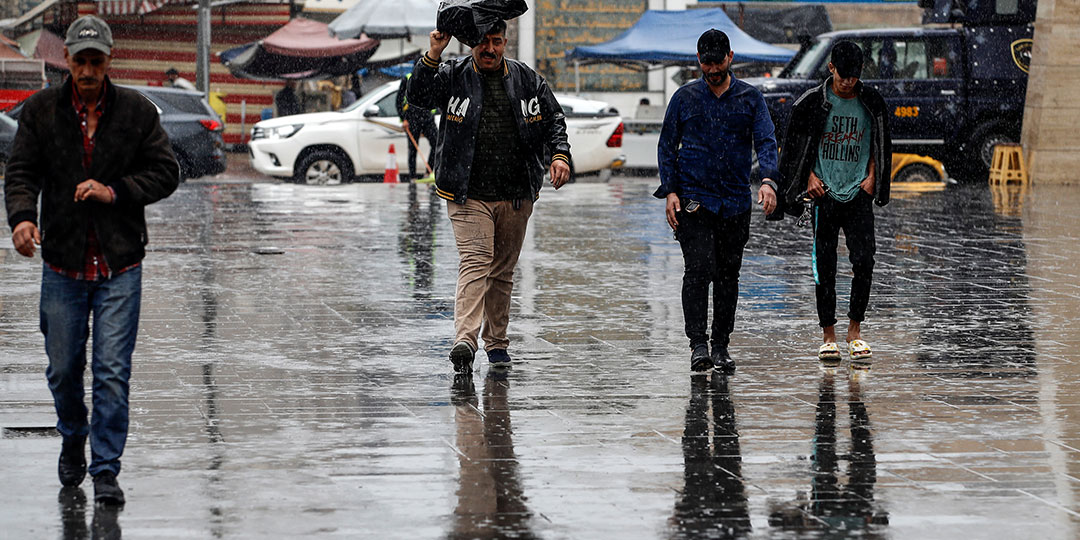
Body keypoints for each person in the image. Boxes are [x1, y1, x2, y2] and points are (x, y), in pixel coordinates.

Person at [4, 15, 179, 506]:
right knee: (63, 370)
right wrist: (22, 218)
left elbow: (165, 172)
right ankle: (73, 435)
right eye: (79, 61)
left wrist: (115, 190)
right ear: (66, 60)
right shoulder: (41, 111)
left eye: (95, 61)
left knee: (111, 373)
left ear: (108, 60)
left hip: (120, 265)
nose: (86, 71)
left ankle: (105, 470)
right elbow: (21, 171)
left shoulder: (136, 112)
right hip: (62, 263)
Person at [408, 20, 572, 374]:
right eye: (483, 42)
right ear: (472, 45)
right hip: (467, 192)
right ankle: (465, 340)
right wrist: (433, 53)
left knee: (502, 272)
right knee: (476, 261)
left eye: (496, 42)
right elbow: (417, 98)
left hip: (516, 193)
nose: (490, 49)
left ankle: (496, 343)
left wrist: (560, 155)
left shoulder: (527, 79)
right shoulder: (453, 75)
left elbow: (554, 119)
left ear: (505, 43)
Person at [655, 29, 780, 373]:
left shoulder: (750, 98)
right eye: (706, 63)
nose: (712, 70)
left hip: (735, 202)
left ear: (730, 58)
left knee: (728, 275)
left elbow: (766, 141)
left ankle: (721, 344)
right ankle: (698, 344)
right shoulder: (684, 98)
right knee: (698, 270)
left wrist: (768, 180)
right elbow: (666, 146)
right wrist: (670, 191)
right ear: (699, 60)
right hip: (694, 201)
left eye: (718, 63)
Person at [777, 40, 891, 365]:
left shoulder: (872, 102)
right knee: (824, 265)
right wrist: (808, 178)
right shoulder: (812, 103)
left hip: (858, 193)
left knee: (864, 261)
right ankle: (828, 336)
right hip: (824, 194)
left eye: (854, 76)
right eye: (843, 76)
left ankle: (855, 331)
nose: (848, 82)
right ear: (831, 69)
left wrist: (873, 177)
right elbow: (796, 148)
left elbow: (881, 144)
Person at [395, 72, 439, 182]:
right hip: (412, 118)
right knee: (413, 149)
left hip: (427, 118)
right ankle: (412, 177)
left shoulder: (432, 77)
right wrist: (403, 118)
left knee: (437, 143)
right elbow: (399, 100)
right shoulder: (408, 78)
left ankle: (428, 173)